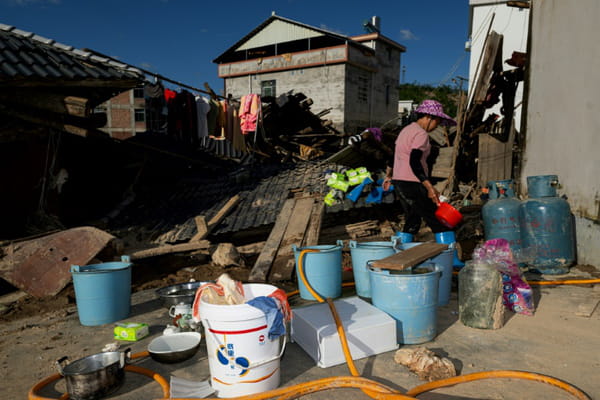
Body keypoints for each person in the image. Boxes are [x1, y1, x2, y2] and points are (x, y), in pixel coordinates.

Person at [383, 100, 457, 236]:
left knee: (413, 219)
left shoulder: (406, 130)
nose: (437, 126)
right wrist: (429, 187)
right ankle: (451, 255)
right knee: (436, 219)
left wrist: (389, 175)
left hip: (400, 182)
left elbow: (394, 155)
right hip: (412, 183)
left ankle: (402, 252)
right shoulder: (421, 134)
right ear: (429, 117)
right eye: (437, 122)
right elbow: (414, 161)